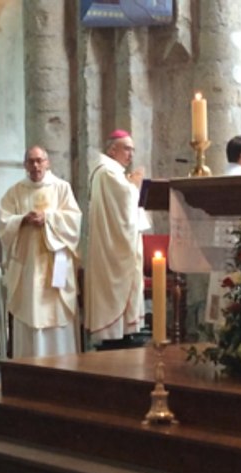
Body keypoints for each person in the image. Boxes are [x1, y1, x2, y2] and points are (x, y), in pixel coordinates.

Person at [0, 146, 83, 358]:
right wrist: (22, 219)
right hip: (28, 265)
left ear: (48, 162)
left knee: (57, 312)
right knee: (29, 310)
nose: (35, 166)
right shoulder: (15, 191)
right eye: (31, 161)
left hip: (56, 262)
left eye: (39, 161)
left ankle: (64, 366)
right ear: (25, 165)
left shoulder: (62, 188)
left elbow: (74, 221)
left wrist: (48, 218)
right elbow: (3, 222)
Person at [84, 130, 145, 346]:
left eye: (132, 149)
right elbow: (125, 202)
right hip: (112, 249)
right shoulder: (108, 173)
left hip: (115, 243)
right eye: (126, 148)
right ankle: (114, 335)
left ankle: (125, 331)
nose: (131, 154)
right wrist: (135, 185)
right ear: (112, 149)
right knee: (112, 290)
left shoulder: (112, 172)